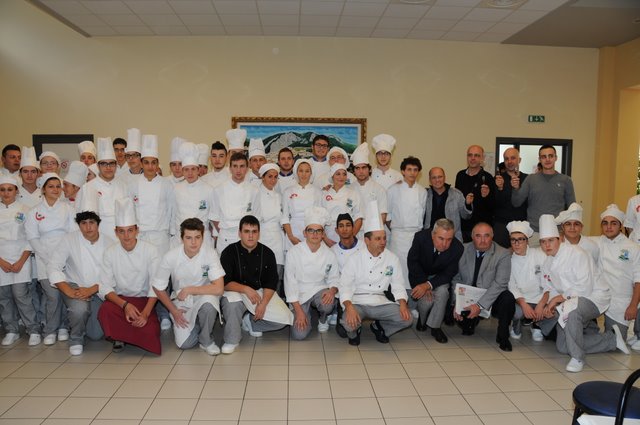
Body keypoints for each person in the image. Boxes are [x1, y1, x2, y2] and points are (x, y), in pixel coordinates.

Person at [538, 214, 628, 372]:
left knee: (571, 311)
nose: (547, 245)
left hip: (594, 297)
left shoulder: (577, 253)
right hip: (569, 301)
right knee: (563, 346)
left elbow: (584, 287)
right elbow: (550, 287)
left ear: (559, 239)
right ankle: (611, 340)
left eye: (551, 240)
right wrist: (548, 305)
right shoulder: (548, 262)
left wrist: (557, 300)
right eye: (543, 242)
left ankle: (578, 358)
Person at [338, 201, 413, 346]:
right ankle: (355, 331)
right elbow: (345, 286)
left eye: (384, 238)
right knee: (348, 324)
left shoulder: (392, 258)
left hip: (380, 301)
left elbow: (398, 285)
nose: (383, 242)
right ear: (367, 240)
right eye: (378, 239)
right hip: (358, 301)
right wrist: (349, 307)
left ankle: (380, 328)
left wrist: (403, 303)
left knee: (407, 319)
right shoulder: (354, 259)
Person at [152, 218, 225, 355]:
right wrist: (173, 311)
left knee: (209, 305)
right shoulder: (170, 256)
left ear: (203, 237)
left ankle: (206, 340)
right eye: (189, 238)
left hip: (205, 296)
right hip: (181, 301)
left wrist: (190, 289)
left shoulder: (210, 253)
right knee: (185, 344)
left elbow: (219, 288)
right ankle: (198, 324)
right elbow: (158, 287)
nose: (193, 242)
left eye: (197, 237)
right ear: (182, 238)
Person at [220, 215, 292, 354]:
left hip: (259, 292)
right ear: (240, 233)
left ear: (259, 233)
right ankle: (232, 340)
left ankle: (250, 322)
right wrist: (245, 289)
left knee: (284, 319)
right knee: (232, 305)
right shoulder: (229, 252)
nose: (250, 236)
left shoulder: (267, 253)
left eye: (254, 232)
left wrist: (263, 303)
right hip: (235, 290)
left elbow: (271, 282)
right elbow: (224, 282)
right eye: (246, 231)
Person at [98, 197, 161, 354]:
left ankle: (123, 334)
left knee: (150, 331)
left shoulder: (151, 250)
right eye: (121, 231)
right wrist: (125, 306)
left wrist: (145, 314)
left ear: (137, 230)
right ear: (116, 232)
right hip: (120, 302)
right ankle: (120, 337)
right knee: (105, 310)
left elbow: (156, 285)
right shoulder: (110, 252)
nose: (126, 236)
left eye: (130, 230)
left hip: (144, 302)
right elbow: (105, 287)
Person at [25, 173, 76, 346]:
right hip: (44, 257)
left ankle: (63, 327)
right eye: (51, 186)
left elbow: (73, 233)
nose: (55, 189)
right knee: (52, 296)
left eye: (58, 186)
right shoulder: (34, 211)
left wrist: (63, 257)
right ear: (43, 189)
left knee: (65, 294)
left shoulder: (68, 208)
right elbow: (32, 237)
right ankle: (50, 330)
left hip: (66, 256)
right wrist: (48, 258)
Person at [47, 211, 106, 356]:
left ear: (98, 224)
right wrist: (69, 291)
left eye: (91, 222)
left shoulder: (109, 242)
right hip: (75, 286)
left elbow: (112, 275)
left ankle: (74, 319)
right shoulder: (69, 239)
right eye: (83, 223)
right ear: (79, 226)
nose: (88, 227)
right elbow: (53, 266)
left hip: (99, 289)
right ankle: (76, 339)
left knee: (96, 335)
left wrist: (91, 290)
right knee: (79, 309)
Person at [452, 222, 515, 351]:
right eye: (478, 236)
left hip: (490, 297)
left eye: (486, 236)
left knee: (507, 298)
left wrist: (479, 305)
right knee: (465, 326)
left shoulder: (502, 253)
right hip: (467, 296)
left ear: (492, 236)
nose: (482, 240)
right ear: (472, 236)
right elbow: (455, 278)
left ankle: (503, 336)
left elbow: (500, 283)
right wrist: (456, 303)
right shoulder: (462, 249)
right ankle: (470, 322)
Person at [285, 206, 339, 339]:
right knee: (299, 335)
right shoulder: (293, 252)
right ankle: (305, 314)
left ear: (323, 234)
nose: (315, 234)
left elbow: (335, 278)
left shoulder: (329, 254)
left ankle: (323, 318)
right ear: (305, 233)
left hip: (319, 290)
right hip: (299, 293)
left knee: (328, 304)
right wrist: (299, 311)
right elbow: (290, 283)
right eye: (311, 230)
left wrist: (332, 291)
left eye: (318, 231)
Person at [407, 218, 464, 343]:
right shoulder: (420, 238)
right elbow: (412, 262)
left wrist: (429, 285)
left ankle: (435, 327)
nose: (445, 244)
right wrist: (422, 283)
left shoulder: (457, 248)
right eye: (441, 238)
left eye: (449, 239)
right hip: (420, 275)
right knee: (427, 301)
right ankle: (422, 320)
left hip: (439, 277)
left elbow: (449, 273)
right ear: (433, 235)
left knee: (443, 293)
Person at [594, 204, 640, 351]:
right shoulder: (597, 242)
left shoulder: (632, 247)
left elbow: (638, 280)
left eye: (613, 223)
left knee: (615, 342)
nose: (609, 227)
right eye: (605, 223)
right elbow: (576, 240)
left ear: (620, 225)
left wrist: (633, 306)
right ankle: (589, 333)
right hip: (599, 297)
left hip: (621, 301)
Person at [0, 175, 39, 346]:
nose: (6, 193)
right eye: (2, 190)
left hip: (21, 258)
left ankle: (33, 330)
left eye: (10, 189)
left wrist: (21, 262)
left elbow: (31, 238)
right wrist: (1, 262)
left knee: (22, 296)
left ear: (16, 191)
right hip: (1, 260)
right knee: (4, 297)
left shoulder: (25, 210)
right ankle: (11, 330)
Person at [512, 145, 576, 245]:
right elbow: (516, 203)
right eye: (543, 157)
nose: (547, 159)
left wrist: (565, 231)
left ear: (556, 158)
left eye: (550, 156)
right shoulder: (531, 179)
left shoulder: (566, 180)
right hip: (534, 233)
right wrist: (515, 189)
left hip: (556, 233)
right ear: (539, 159)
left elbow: (572, 208)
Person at [387, 156, 426, 305]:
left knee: (413, 268)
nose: (412, 173)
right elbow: (388, 215)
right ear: (403, 171)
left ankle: (413, 304)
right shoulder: (393, 190)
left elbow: (422, 214)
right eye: (409, 169)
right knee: (398, 269)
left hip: (416, 235)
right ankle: (397, 302)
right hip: (398, 235)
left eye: (415, 170)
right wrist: (396, 229)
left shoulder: (422, 191)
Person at [506, 220, 553, 342]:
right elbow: (512, 286)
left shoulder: (540, 255)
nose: (516, 244)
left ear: (527, 241)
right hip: (522, 300)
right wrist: (524, 305)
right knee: (517, 313)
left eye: (521, 239)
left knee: (552, 312)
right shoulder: (508, 261)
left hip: (541, 298)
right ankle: (516, 325)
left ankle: (536, 325)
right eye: (513, 240)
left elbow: (549, 282)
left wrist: (541, 304)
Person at [128, 134, 174, 255]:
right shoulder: (133, 185)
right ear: (141, 164)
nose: (150, 166)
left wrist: (172, 233)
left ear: (158, 164)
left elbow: (172, 210)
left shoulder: (166, 184)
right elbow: (130, 210)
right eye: (146, 162)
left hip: (161, 238)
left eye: (153, 163)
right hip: (140, 237)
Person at [76, 138, 127, 244]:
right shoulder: (87, 188)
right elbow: (81, 220)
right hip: (97, 239)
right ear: (98, 166)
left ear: (116, 165)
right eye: (104, 164)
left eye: (111, 163)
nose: (108, 167)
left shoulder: (124, 187)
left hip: (120, 239)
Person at [212, 152, 258, 254]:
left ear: (247, 168)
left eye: (242, 166)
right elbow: (214, 217)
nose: (238, 170)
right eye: (235, 166)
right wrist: (226, 232)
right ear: (230, 168)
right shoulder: (219, 190)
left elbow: (256, 216)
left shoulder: (254, 191)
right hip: (226, 238)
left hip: (247, 239)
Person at [171, 142, 215, 247]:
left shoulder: (209, 190)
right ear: (182, 171)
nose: (190, 173)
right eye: (186, 169)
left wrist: (215, 236)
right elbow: (173, 215)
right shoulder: (176, 189)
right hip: (181, 238)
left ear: (198, 170)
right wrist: (173, 234)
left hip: (202, 238)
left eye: (193, 169)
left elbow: (213, 217)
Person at [455, 145, 495, 242]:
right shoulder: (460, 175)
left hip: (481, 229)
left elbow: (493, 206)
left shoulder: (488, 178)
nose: (473, 158)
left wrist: (487, 196)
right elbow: (457, 200)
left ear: (482, 158)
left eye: (476, 155)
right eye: (470, 155)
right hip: (463, 228)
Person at [252, 163, 285, 280]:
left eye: (275, 177)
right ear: (263, 177)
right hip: (262, 236)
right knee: (261, 272)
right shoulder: (256, 194)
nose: (273, 180)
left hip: (277, 237)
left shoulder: (279, 196)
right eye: (270, 176)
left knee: (277, 272)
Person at [281, 159, 322, 251]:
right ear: (296, 172)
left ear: (311, 173)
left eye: (307, 171)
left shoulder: (318, 192)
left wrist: (314, 235)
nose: (304, 174)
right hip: (293, 232)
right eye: (301, 171)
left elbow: (320, 216)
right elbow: (285, 217)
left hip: (312, 232)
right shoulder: (288, 191)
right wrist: (291, 237)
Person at [423, 167, 472, 242]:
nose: (437, 180)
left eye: (440, 177)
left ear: (444, 177)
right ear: (430, 180)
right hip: (430, 239)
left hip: (453, 239)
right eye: (434, 177)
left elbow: (466, 216)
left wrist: (467, 204)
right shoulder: (425, 195)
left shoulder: (456, 194)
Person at [350, 142, 388, 238]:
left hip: (373, 234)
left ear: (369, 169)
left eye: (364, 168)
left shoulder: (379, 189)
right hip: (354, 233)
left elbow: (383, 215)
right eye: (357, 168)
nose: (361, 171)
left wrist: (376, 235)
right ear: (354, 171)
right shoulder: (349, 189)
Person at [321, 163, 362, 246]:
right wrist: (325, 239)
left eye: (344, 174)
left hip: (348, 233)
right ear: (332, 176)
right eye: (338, 174)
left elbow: (359, 218)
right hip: (329, 235)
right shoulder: (324, 194)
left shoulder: (353, 194)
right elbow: (319, 218)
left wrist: (350, 238)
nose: (341, 177)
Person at [493, 148, 528, 248]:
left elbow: (530, 202)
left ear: (519, 160)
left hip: (521, 225)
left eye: (513, 158)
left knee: (521, 254)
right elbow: (493, 204)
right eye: (506, 159)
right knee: (499, 254)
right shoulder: (498, 179)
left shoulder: (527, 179)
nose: (509, 161)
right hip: (501, 225)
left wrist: (518, 189)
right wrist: (499, 188)